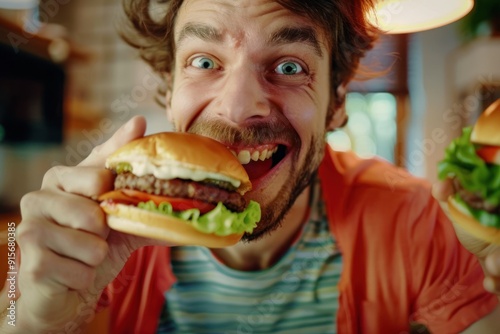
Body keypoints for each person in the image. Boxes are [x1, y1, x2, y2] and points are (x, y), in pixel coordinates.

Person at [1, 0, 500, 333]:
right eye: (204, 61)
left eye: (288, 66)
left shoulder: (412, 215)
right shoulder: (96, 232)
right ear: (168, 86)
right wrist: (28, 314)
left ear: (337, 101)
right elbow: (13, 310)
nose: (239, 107)